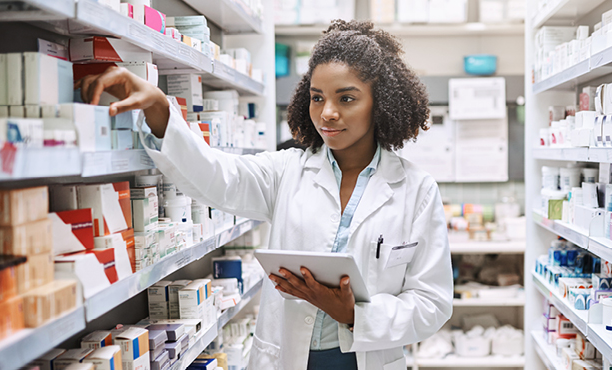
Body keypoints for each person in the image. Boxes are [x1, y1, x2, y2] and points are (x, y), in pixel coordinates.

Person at [77, 19, 453, 370]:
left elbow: (432, 303)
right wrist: (160, 108)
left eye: (347, 99)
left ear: (381, 103)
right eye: (318, 97)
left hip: (366, 358)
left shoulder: (416, 191)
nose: (328, 113)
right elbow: (217, 177)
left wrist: (353, 314)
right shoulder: (288, 170)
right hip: (290, 356)